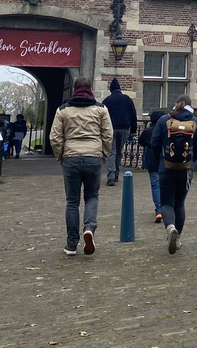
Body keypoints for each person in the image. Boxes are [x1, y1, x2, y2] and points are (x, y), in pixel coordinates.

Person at [49, 76, 112, 257]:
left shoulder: (63, 110)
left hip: (71, 157)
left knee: (72, 202)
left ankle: (71, 245)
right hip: (93, 156)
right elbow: (108, 134)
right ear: (91, 89)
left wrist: (60, 155)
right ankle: (89, 228)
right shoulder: (101, 109)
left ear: (73, 89)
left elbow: (55, 137)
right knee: (92, 196)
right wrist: (103, 153)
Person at [149, 94, 197, 254]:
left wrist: (161, 159)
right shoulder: (196, 122)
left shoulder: (164, 120)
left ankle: (170, 227)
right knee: (179, 204)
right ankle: (178, 237)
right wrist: (191, 162)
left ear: (176, 105)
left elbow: (154, 143)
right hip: (186, 169)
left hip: (166, 168)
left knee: (166, 203)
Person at [102, 78, 138, 186]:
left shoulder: (107, 100)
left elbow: (102, 116)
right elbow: (133, 115)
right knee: (118, 151)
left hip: (111, 128)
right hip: (124, 128)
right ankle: (116, 174)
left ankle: (111, 175)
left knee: (111, 152)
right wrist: (133, 130)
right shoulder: (127, 99)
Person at [138, 108, 168, 223]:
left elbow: (141, 141)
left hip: (152, 163)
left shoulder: (149, 131)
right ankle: (167, 209)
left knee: (156, 187)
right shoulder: (167, 131)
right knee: (166, 186)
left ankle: (159, 210)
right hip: (166, 162)